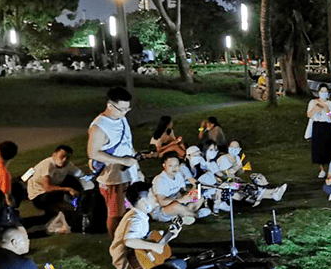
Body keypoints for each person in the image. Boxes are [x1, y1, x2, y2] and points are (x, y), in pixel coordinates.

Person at [88, 87, 141, 238]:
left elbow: (127, 144)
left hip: (128, 174)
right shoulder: (99, 127)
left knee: (128, 209)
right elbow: (93, 152)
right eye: (121, 109)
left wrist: (137, 168)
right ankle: (116, 244)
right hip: (112, 178)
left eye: (127, 109)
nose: (124, 113)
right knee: (115, 213)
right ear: (110, 106)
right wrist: (121, 160)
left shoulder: (121, 118)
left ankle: (129, 238)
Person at [109, 182, 187, 269]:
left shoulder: (137, 214)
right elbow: (129, 241)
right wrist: (154, 246)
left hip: (136, 261)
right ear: (143, 202)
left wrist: (170, 235)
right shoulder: (136, 219)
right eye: (151, 196)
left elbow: (146, 242)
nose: (155, 199)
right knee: (181, 264)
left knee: (177, 261)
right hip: (132, 267)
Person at [151, 153, 211, 222]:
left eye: (176, 165)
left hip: (179, 202)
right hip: (161, 211)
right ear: (164, 165)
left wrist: (190, 194)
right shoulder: (160, 180)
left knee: (200, 197)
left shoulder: (178, 175)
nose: (174, 168)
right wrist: (180, 200)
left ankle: (183, 216)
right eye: (170, 166)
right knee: (176, 206)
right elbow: (161, 202)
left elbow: (182, 191)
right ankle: (196, 215)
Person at [26, 145, 83, 217]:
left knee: (71, 179)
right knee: (57, 192)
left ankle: (80, 200)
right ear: (54, 155)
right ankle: (62, 208)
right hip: (39, 197)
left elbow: (80, 174)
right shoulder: (48, 165)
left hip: (53, 191)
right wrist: (68, 189)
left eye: (67, 158)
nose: (64, 160)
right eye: (62, 157)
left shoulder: (68, 165)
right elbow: (47, 188)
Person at [306, 83, 331, 178]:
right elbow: (309, 115)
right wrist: (315, 109)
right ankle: (322, 169)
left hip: (327, 126)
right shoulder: (313, 102)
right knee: (318, 147)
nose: (323, 93)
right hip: (317, 125)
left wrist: (327, 110)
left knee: (329, 147)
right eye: (322, 91)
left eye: (325, 92)